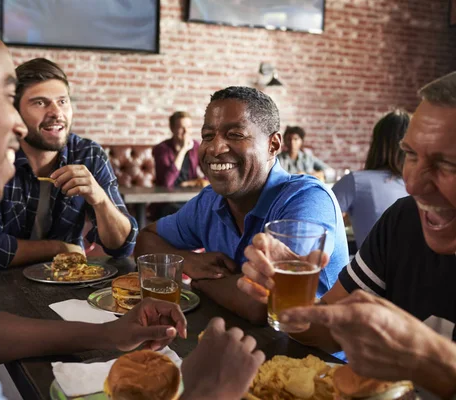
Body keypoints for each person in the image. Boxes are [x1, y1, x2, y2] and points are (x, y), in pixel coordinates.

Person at [0, 2, 262, 398]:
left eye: (62, 101)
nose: (17, 124)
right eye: (4, 96)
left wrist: (109, 333)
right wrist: (206, 393)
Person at [238, 72, 456, 399]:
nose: (413, 185)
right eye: (410, 155)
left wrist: (430, 360)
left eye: (448, 164)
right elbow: (328, 332)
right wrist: (290, 296)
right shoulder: (403, 220)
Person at [135, 86, 349, 324]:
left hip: (317, 357)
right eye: (207, 136)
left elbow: (263, 302)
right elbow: (145, 241)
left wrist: (198, 280)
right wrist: (187, 260)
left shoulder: (307, 198)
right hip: (238, 345)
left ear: (273, 145)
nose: (215, 148)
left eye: (235, 135)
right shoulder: (209, 202)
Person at [0, 58, 138, 270]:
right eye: (40, 103)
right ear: (15, 112)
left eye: (62, 101)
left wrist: (100, 200)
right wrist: (60, 248)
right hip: (0, 287)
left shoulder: (88, 154)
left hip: (70, 283)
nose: (56, 113)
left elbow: (122, 246)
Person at [332, 110, 410, 248]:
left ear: (376, 143)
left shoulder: (355, 182)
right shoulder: (424, 186)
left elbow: (317, 222)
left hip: (372, 268)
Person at [151, 111, 208, 218]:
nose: (186, 131)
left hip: (190, 197)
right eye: (181, 127)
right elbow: (167, 183)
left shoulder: (196, 146)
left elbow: (209, 173)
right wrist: (183, 150)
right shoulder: (161, 149)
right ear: (172, 129)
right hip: (167, 201)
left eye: (189, 127)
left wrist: (191, 183)